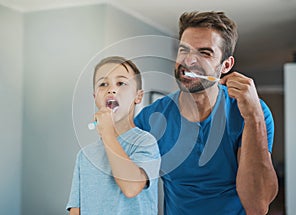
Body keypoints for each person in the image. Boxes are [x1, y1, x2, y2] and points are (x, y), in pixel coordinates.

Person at [134, 11, 278, 214]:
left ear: (226, 65)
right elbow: (127, 187)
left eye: (205, 53)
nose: (189, 61)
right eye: (184, 50)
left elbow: (258, 205)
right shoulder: (149, 120)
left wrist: (254, 117)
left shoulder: (256, 113)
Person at [66, 56, 161, 215]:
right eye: (103, 84)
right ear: (95, 97)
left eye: (121, 83)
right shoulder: (84, 156)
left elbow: (131, 188)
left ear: (138, 96)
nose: (111, 89)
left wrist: (108, 134)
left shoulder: (145, 143)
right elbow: (76, 210)